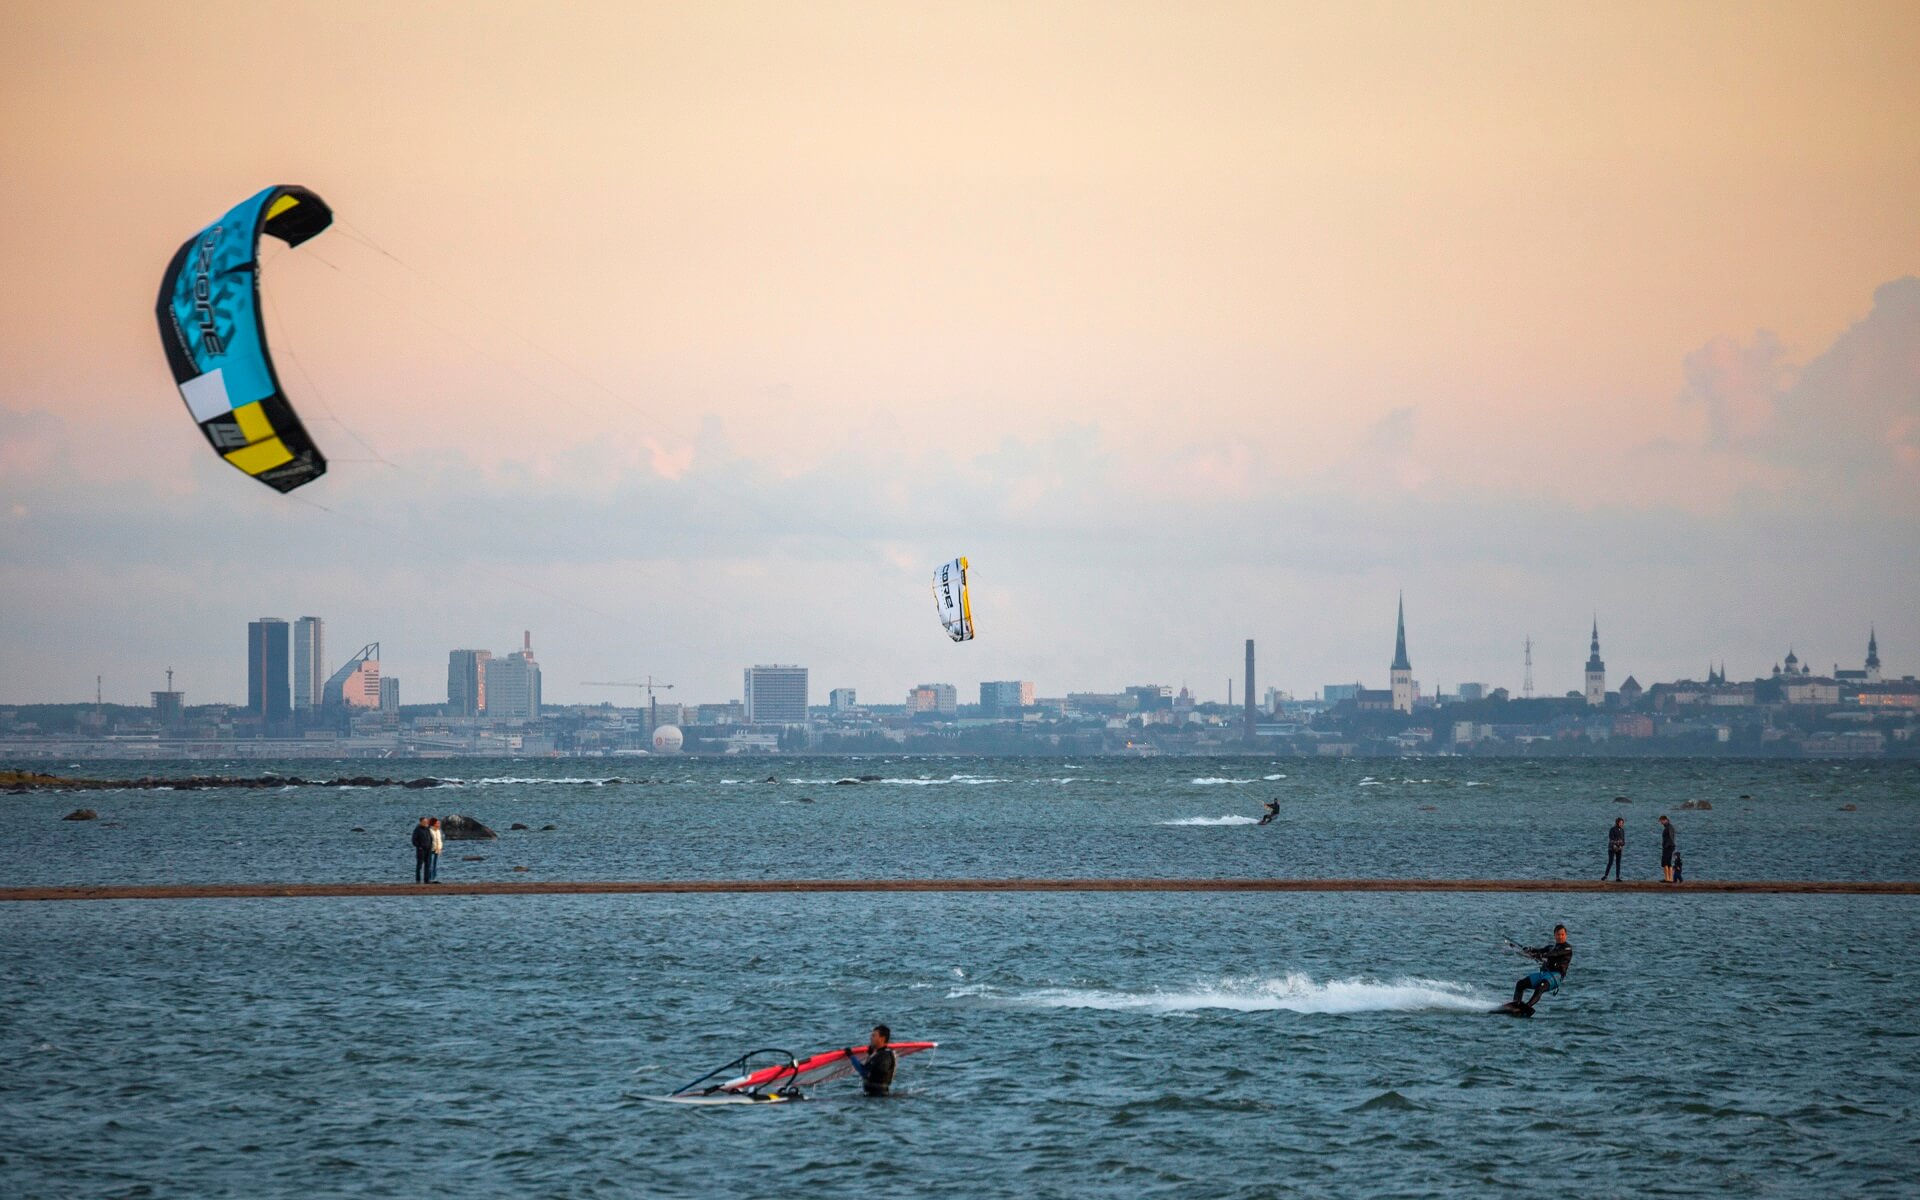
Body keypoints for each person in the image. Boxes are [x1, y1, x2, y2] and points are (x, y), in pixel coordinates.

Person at [1510, 924, 1573, 1012]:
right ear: (1554, 935)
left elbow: (1555, 953)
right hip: (1544, 974)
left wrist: (1542, 955)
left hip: (1555, 977)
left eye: (1562, 934)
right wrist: (1530, 949)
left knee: (1540, 987)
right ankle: (1515, 1005)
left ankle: (1527, 1007)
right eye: (1558, 934)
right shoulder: (1551, 947)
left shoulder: (1567, 948)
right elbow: (1539, 950)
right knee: (1520, 984)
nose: (1560, 937)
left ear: (1566, 935)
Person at [846, 1025, 897, 1097]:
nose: (871, 1038)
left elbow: (863, 1071)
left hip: (876, 1097)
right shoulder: (885, 1053)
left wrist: (851, 1056)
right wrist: (871, 1054)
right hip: (880, 1094)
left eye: (874, 1036)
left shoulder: (882, 1056)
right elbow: (874, 1069)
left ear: (882, 1039)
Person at [411, 817, 433, 884]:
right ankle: (418, 880)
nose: (426, 823)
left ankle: (427, 880)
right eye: (424, 822)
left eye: (426, 822)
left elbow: (431, 838)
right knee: (419, 865)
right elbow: (414, 840)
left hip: (428, 849)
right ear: (420, 822)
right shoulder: (417, 830)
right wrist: (419, 847)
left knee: (428, 865)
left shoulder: (428, 829)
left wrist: (431, 846)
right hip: (421, 850)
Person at [1659, 815, 1677, 883]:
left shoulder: (1669, 827)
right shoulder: (1667, 827)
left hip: (1669, 847)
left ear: (1665, 820)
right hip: (1668, 847)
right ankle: (1668, 878)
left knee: (1667, 862)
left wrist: (1668, 846)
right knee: (1666, 862)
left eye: (1661, 821)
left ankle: (1669, 879)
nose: (1661, 823)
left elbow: (1671, 837)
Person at [428, 816, 444, 883]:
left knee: (435, 864)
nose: (439, 824)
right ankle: (430, 878)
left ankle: (434, 878)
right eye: (437, 823)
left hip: (437, 850)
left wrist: (440, 848)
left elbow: (440, 840)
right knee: (430, 864)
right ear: (433, 824)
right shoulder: (430, 830)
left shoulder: (438, 831)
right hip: (431, 850)